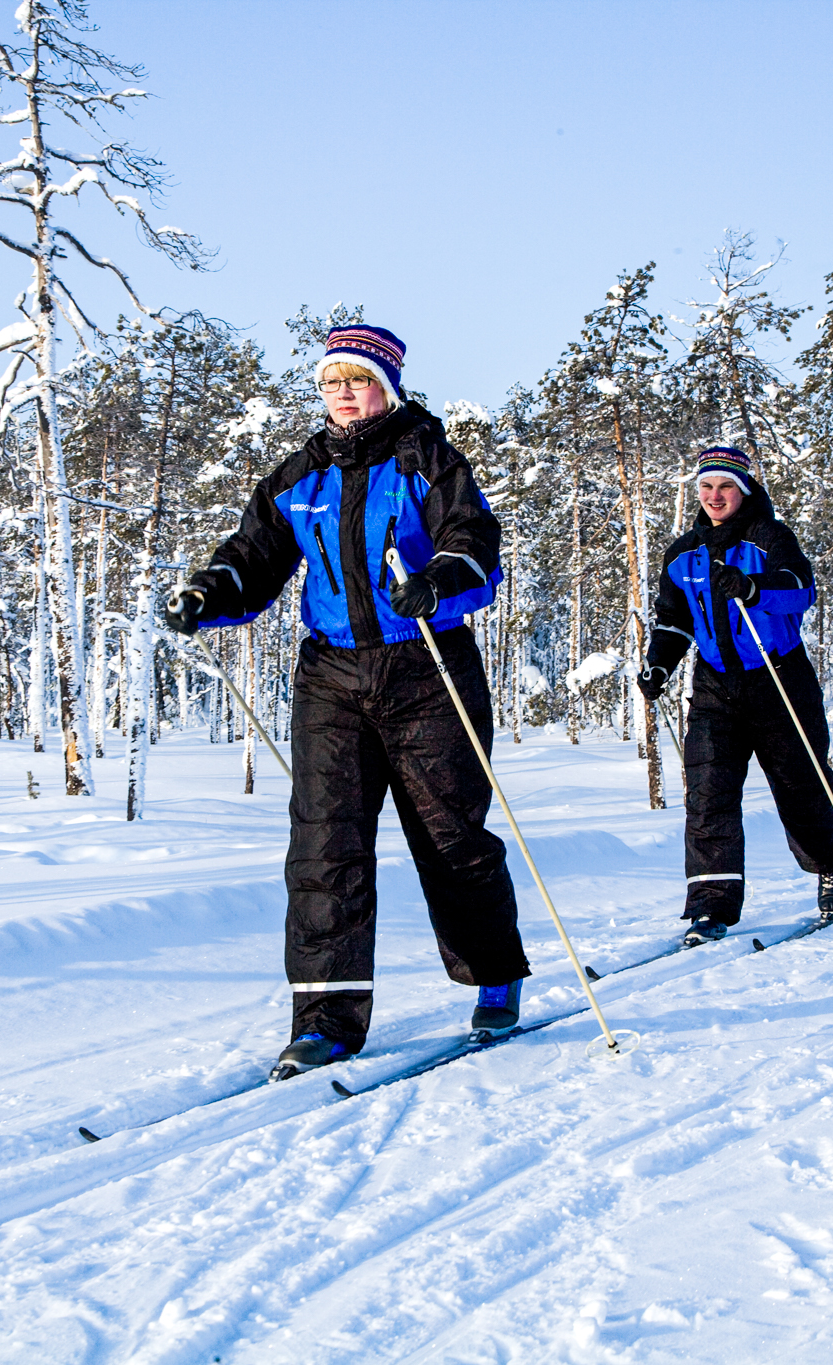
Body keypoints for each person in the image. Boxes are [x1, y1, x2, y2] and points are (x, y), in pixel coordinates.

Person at [163, 325, 531, 1077]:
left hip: (426, 663)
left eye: (357, 379)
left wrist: (440, 579)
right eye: (332, 381)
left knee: (449, 833)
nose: (343, 393)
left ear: (386, 385)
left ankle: (494, 974)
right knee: (323, 843)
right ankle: (325, 1014)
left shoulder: (426, 456)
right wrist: (209, 592)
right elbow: (254, 558)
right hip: (332, 676)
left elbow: (475, 541)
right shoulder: (299, 475)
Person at [637, 446, 833, 947]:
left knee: (800, 783)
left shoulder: (771, 538)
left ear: (744, 490)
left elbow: (800, 590)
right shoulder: (682, 553)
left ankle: (828, 865)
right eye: (706, 488)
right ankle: (711, 906)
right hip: (714, 685)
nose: (715, 497)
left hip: (777, 677)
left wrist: (753, 588)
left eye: (726, 487)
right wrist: (659, 662)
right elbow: (674, 619)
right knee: (708, 793)